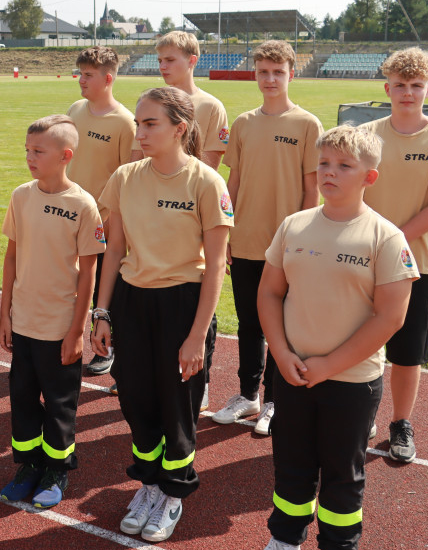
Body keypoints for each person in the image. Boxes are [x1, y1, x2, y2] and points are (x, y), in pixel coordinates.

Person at [243, 125, 418, 550]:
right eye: (324, 164)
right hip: (293, 373)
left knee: (342, 474)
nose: (330, 173)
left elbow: (391, 317)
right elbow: (269, 293)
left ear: (370, 176)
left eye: (344, 166)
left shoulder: (385, 237)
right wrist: (280, 354)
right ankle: (284, 544)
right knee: (291, 467)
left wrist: (328, 364)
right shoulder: (294, 225)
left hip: (350, 382)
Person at [91, 87, 231, 542]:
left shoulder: (206, 183)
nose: (140, 131)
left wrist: (196, 337)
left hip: (183, 305)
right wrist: (102, 313)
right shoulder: (125, 177)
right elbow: (113, 251)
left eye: (150, 123)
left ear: (180, 128)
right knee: (135, 401)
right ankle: (149, 483)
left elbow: (214, 270)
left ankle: (173, 492)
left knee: (177, 407)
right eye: (138, 122)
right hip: (132, 303)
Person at [359, 47, 428, 463]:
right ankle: (361, 414)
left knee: (406, 354)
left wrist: (390, 244)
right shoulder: (368, 134)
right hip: (361, 260)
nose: (408, 93)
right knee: (359, 344)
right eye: (400, 85)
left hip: (416, 264)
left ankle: (400, 423)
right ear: (387, 88)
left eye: (416, 86)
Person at [213, 40, 322, 436]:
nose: (270, 78)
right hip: (245, 240)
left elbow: (313, 191)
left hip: (288, 247)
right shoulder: (243, 123)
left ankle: (274, 400)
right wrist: (225, 230)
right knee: (248, 324)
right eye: (263, 71)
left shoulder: (308, 124)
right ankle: (247, 396)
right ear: (255, 74)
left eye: (278, 72)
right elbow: (234, 182)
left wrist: (307, 239)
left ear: (292, 73)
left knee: (283, 325)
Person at [0, 115, 104, 508]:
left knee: (60, 404)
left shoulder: (82, 204)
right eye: (27, 150)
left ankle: (57, 469)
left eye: (38, 151)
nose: (30, 157)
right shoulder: (22, 195)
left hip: (60, 327)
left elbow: (89, 270)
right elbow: (11, 257)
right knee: (22, 398)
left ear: (65, 156)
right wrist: (4, 313)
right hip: (23, 321)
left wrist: (78, 330)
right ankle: (28, 465)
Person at [155, 30, 230, 411]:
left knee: (199, 297)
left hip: (193, 218)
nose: (163, 66)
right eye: (160, 60)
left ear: (192, 60)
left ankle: (198, 381)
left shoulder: (210, 107)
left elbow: (210, 170)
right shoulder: (153, 103)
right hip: (155, 219)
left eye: (170, 60)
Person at [66, 46, 141, 382]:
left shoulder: (125, 121)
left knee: (102, 286)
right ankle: (68, 338)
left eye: (88, 75)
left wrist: (112, 221)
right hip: (70, 214)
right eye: (80, 73)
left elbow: (129, 176)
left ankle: (105, 348)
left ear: (108, 78)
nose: (81, 80)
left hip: (105, 218)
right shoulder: (75, 110)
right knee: (70, 280)